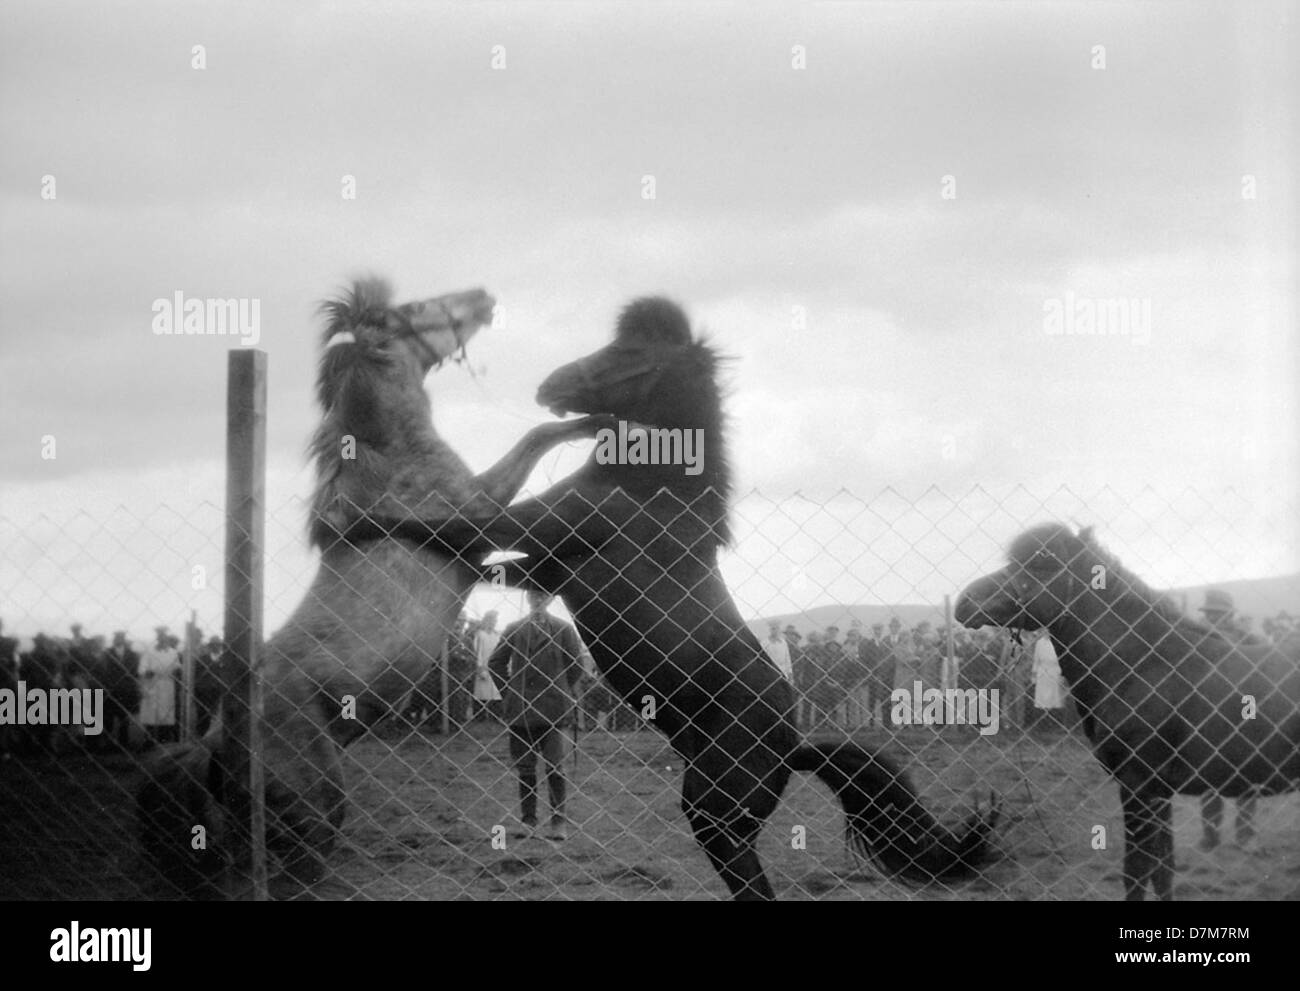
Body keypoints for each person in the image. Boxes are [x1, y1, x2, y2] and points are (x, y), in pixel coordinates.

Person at [488, 591, 584, 841]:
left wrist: (560, 690)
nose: (538, 600)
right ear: (528, 599)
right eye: (534, 596)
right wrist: (509, 692)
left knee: (555, 766)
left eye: (543, 596)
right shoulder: (514, 628)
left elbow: (576, 666)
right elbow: (495, 662)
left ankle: (558, 822)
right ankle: (528, 820)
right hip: (521, 711)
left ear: (551, 600)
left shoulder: (564, 629)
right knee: (526, 768)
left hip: (554, 711)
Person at [1197, 590, 1263, 851]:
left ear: (1229, 615)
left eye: (1219, 613)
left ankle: (1246, 835)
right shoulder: (1197, 637)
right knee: (1209, 776)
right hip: (1209, 714)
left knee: (1247, 775)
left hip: (1243, 711)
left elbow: (1265, 660)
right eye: (1210, 613)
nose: (1214, 618)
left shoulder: (1246, 637)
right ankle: (1210, 836)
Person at [139, 627, 180, 746]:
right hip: (153, 684)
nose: (162, 640)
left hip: (167, 685)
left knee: (166, 711)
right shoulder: (149, 652)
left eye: (164, 637)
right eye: (160, 637)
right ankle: (149, 741)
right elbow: (142, 669)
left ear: (167, 639)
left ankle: (164, 740)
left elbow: (177, 667)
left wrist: (176, 671)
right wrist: (149, 672)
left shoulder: (173, 652)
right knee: (151, 712)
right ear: (157, 638)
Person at [102, 631, 142, 749]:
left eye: (121, 638)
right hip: (111, 688)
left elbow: (135, 671)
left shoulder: (132, 654)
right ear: (114, 639)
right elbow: (104, 670)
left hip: (126, 689)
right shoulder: (107, 653)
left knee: (124, 716)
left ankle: (123, 742)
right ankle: (108, 742)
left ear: (124, 639)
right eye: (116, 638)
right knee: (109, 716)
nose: (118, 640)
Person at [472, 611, 503, 722]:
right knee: (482, 692)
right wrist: (480, 668)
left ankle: (495, 717)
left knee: (495, 693)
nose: (493, 623)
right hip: (484, 667)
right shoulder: (480, 634)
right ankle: (479, 717)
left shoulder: (497, 635)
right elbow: (478, 652)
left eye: (495, 620)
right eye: (491, 620)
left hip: (495, 667)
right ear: (486, 620)